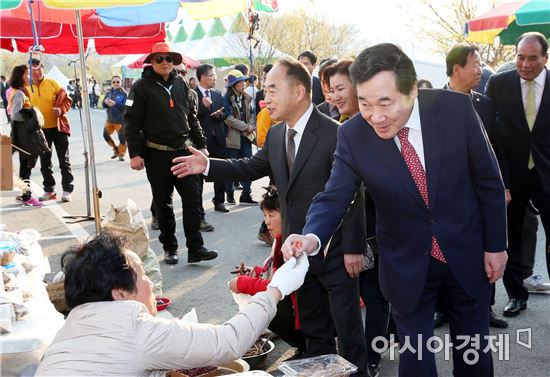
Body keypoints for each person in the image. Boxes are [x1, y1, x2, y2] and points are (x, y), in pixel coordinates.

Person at [282, 43, 508, 377]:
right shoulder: (353, 135)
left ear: (412, 89)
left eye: (385, 102)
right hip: (405, 262)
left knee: (473, 353)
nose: (375, 115)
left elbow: (488, 181)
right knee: (415, 360)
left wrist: (496, 245)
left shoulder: (456, 111)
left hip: (466, 252)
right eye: (365, 103)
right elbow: (334, 196)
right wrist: (312, 237)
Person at [171, 58, 369, 375]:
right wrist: (207, 165)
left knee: (349, 332)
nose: (266, 98)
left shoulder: (336, 134)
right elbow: (248, 168)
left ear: (300, 90)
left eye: (273, 89)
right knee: (314, 331)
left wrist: (355, 248)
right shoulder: (277, 135)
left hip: (336, 251)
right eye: (265, 90)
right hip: (295, 253)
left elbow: (353, 196)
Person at [35, 230, 309, 376]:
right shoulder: (136, 327)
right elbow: (228, 341)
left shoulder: (67, 329)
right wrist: (276, 289)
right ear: (119, 292)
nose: (151, 284)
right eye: (142, 275)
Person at [324, 58, 390, 377]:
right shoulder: (340, 125)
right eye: (331, 89)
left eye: (341, 88)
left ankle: (374, 354)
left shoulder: (375, 125)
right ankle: (360, 349)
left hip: (375, 226)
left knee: (375, 294)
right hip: (345, 228)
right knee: (356, 294)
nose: (335, 96)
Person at [124, 42, 218, 265]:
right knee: (164, 203)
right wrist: (135, 153)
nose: (165, 62)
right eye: (159, 58)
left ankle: (196, 247)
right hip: (156, 155)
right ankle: (170, 248)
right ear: (151, 61)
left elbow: (192, 117)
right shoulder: (140, 87)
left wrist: (202, 144)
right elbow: (131, 122)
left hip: (184, 152)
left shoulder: (181, 83)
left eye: (169, 58)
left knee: (193, 200)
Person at [438, 42, 508, 329]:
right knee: (443, 249)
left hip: (480, 193)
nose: (480, 70)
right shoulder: (433, 103)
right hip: (445, 195)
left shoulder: (484, 104)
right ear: (456, 68)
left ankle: (486, 306)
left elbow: (497, 150)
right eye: (475, 64)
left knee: (485, 246)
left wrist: (505, 186)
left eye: (480, 64)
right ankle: (442, 307)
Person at [486, 32, 550, 317]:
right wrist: (499, 180)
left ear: (545, 58)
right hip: (512, 175)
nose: (525, 64)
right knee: (512, 234)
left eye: (532, 58)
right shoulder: (499, 84)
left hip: (547, 173)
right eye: (520, 57)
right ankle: (516, 295)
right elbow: (487, 133)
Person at [228, 186, 306, 356]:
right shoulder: (280, 240)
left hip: (310, 315)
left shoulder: (293, 244)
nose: (267, 222)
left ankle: (306, 346)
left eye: (272, 215)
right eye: (265, 216)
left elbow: (280, 285)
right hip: (301, 308)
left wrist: (243, 283)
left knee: (264, 302)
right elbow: (274, 272)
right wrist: (255, 271)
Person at [29, 58, 74, 203]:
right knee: (45, 162)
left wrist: (60, 110)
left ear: (43, 68)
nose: (36, 72)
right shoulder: (27, 88)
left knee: (64, 160)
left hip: (58, 127)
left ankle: (67, 189)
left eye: (38, 68)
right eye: (33, 70)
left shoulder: (53, 83)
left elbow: (68, 100)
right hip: (41, 131)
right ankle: (49, 190)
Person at [8, 65, 47, 207]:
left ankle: (24, 195)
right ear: (20, 76)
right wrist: (31, 115)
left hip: (24, 134)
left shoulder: (20, 91)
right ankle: (26, 196)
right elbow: (15, 114)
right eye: (27, 74)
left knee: (26, 165)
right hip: (24, 135)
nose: (29, 76)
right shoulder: (19, 93)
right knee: (26, 165)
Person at [195, 64, 229, 213]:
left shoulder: (216, 94)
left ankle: (219, 201)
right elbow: (190, 117)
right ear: (203, 77)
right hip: (201, 142)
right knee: (198, 177)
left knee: (220, 171)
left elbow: (224, 113)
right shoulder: (192, 94)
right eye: (212, 75)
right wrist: (203, 107)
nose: (215, 78)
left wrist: (219, 115)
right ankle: (198, 207)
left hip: (218, 139)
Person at [222, 69, 257, 206]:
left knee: (249, 166)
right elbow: (228, 118)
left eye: (244, 81)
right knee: (232, 167)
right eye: (240, 82)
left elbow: (253, 115)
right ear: (233, 85)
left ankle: (246, 194)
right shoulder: (226, 99)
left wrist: (251, 126)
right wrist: (245, 127)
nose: (243, 84)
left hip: (247, 138)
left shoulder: (247, 98)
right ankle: (229, 193)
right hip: (232, 138)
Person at [102, 75, 128, 161]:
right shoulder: (108, 93)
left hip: (120, 120)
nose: (116, 83)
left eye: (118, 82)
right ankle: (115, 149)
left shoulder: (125, 94)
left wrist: (115, 104)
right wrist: (105, 102)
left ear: (121, 83)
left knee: (122, 138)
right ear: (111, 83)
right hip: (109, 119)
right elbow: (103, 105)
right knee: (105, 136)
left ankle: (121, 153)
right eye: (114, 82)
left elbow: (127, 106)